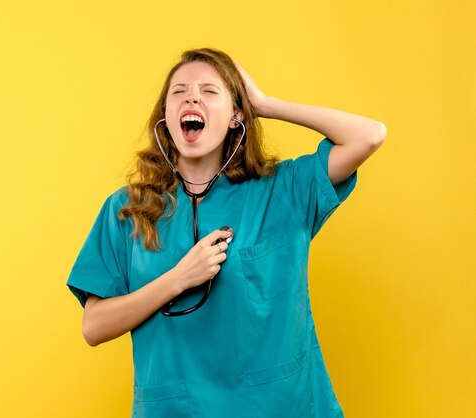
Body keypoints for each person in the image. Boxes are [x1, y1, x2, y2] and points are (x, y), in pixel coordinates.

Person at [67, 48, 386, 417]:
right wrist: (178, 278)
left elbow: (369, 136)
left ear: (237, 116)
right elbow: (94, 326)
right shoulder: (129, 209)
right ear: (166, 118)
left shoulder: (282, 192)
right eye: (179, 91)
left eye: (209, 91)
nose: (192, 97)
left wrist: (266, 103)